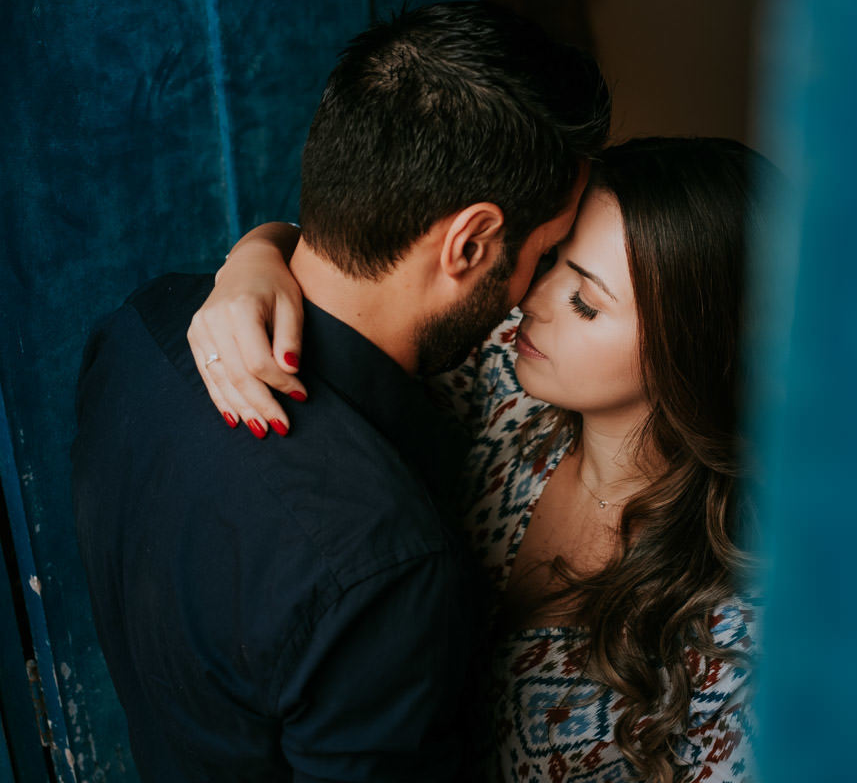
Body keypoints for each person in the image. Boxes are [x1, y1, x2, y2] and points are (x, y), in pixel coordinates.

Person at [71, 2, 609, 781]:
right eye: (545, 253)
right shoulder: (384, 561)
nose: (534, 295)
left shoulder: (143, 327)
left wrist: (259, 248)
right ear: (470, 242)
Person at [190, 137, 767, 783]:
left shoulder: (735, 641)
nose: (534, 301)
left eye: (585, 302)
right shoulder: (504, 383)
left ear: (690, 347)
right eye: (549, 262)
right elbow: (358, 293)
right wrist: (256, 260)